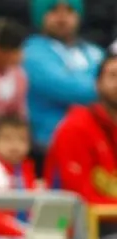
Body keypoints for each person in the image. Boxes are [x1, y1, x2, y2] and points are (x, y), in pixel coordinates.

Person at [24, 0, 103, 150]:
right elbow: (70, 89)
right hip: (49, 142)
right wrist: (103, 86)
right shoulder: (31, 52)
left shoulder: (93, 51)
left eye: (69, 10)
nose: (62, 17)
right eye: (53, 10)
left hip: (97, 142)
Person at [46, 52, 117, 205]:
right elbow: (77, 196)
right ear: (97, 84)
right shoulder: (75, 127)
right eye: (113, 76)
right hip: (71, 222)